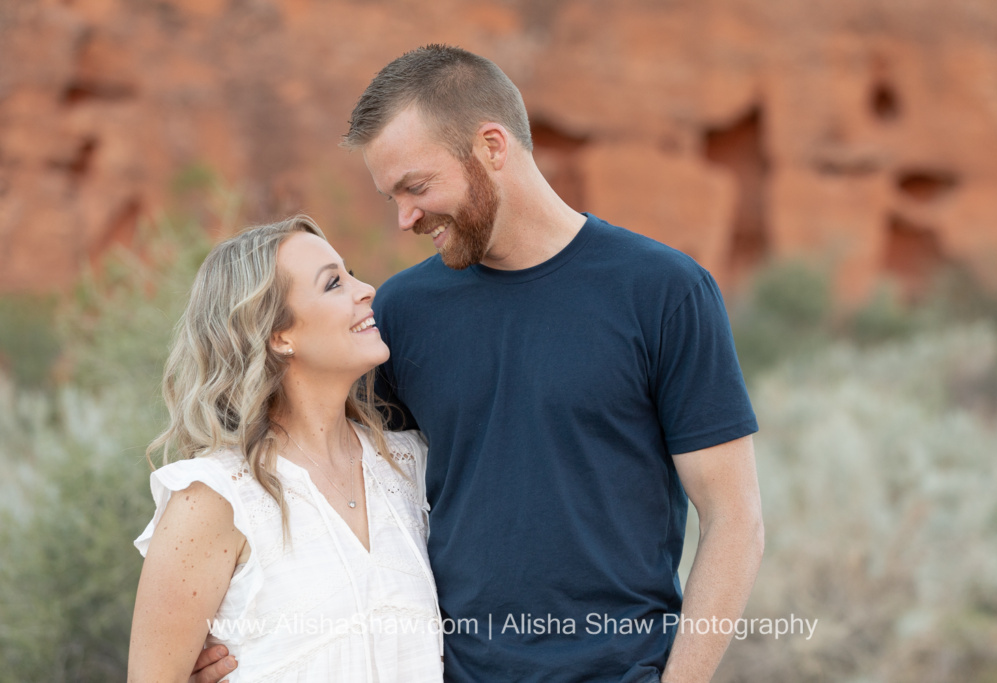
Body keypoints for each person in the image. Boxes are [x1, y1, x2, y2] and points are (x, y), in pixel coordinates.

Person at [196, 44, 763, 683]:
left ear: (492, 147)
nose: (407, 217)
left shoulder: (664, 290)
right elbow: (326, 477)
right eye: (393, 199)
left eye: (417, 186)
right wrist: (227, 632)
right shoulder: (402, 313)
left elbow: (734, 518)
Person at [128, 216, 444, 682]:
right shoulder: (216, 498)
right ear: (279, 335)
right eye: (334, 283)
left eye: (351, 273)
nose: (366, 290)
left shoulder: (410, 464)